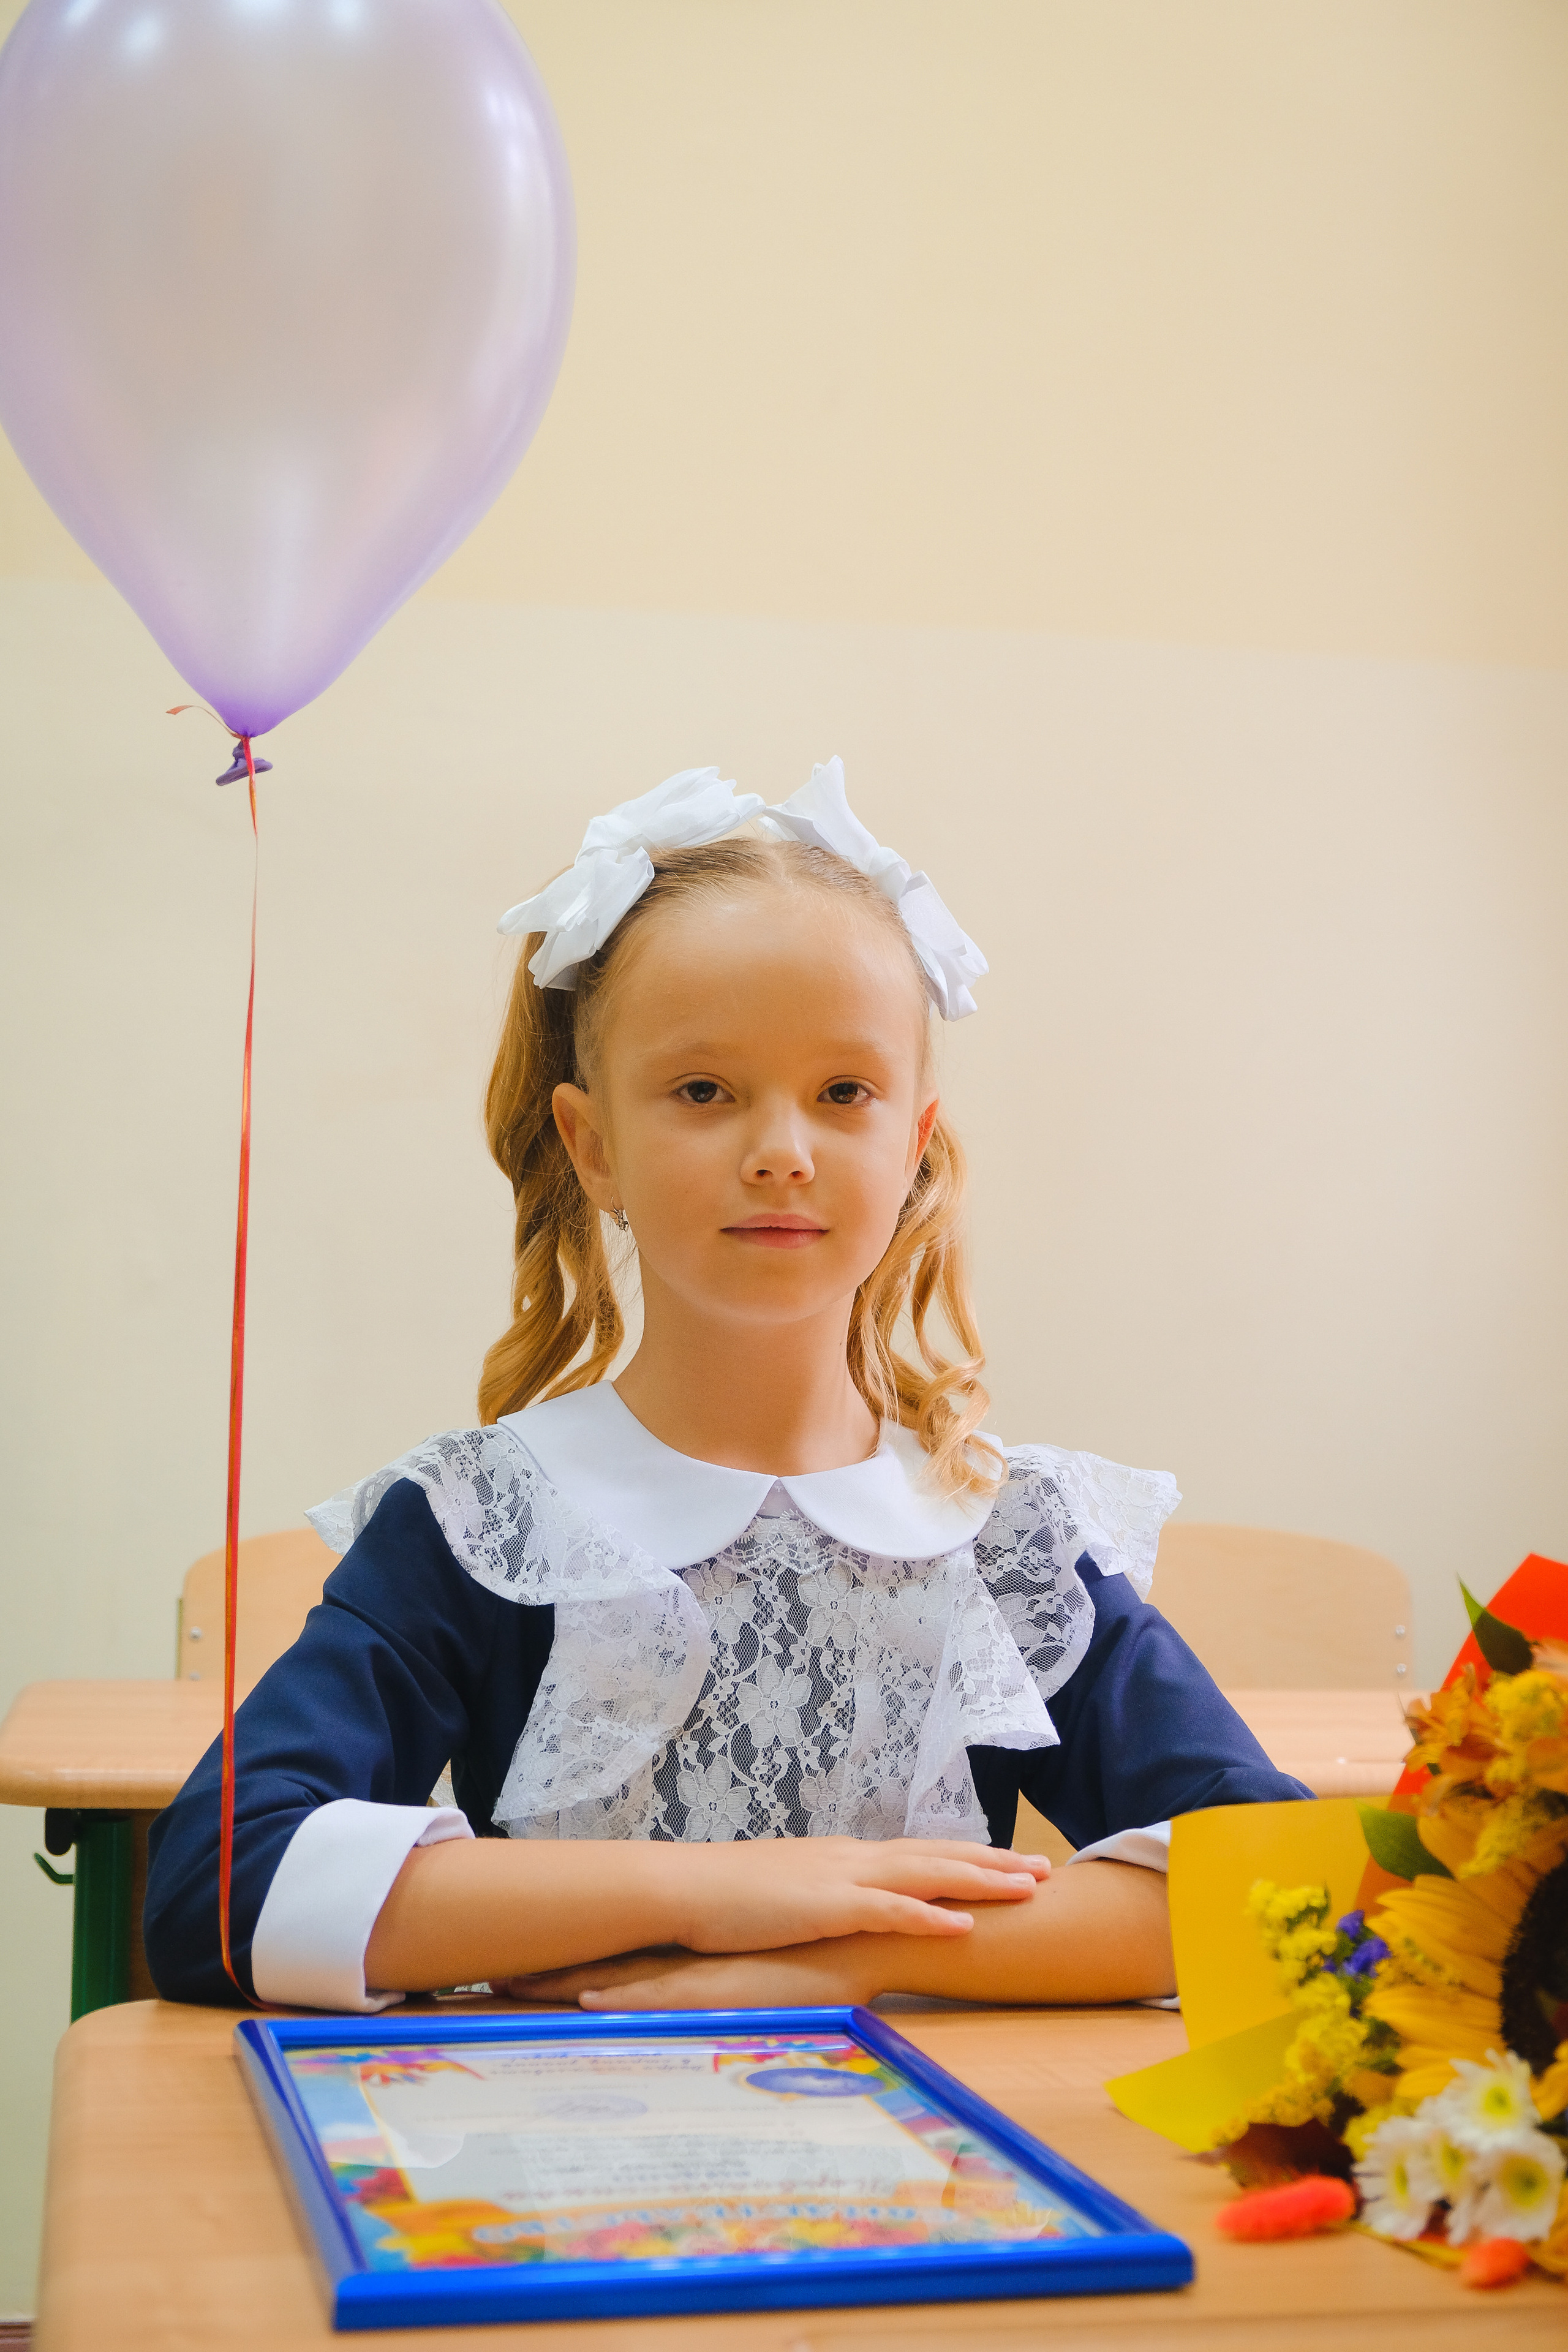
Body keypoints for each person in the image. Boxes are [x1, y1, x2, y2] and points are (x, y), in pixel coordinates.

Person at [145, 759, 1306, 2013]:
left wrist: (837, 1955)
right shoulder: (486, 1523)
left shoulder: (1003, 1534)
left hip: (929, 2185)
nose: (781, 1154)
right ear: (593, 1147)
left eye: (842, 1094)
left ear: (912, 1144)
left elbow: (1272, 1891)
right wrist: (727, 1891)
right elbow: (216, 1893)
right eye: (702, 1092)